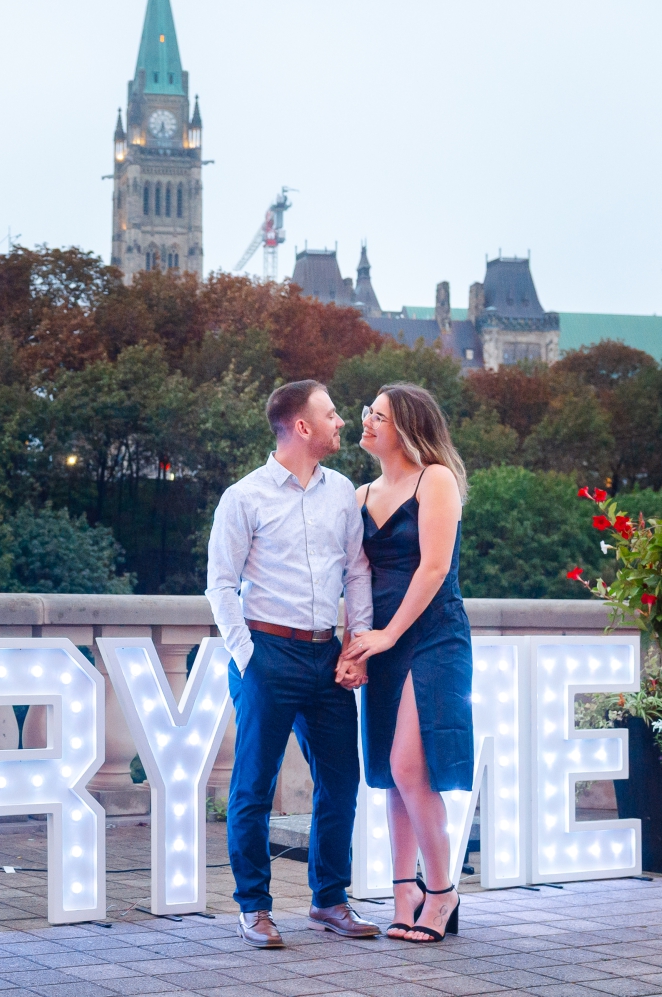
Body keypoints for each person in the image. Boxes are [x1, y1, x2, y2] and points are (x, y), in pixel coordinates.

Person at [206, 380, 380, 949]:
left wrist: (354, 645)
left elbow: (356, 574)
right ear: (301, 427)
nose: (341, 423)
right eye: (331, 414)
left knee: (341, 781)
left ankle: (329, 901)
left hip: (325, 653)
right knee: (253, 786)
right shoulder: (244, 497)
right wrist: (247, 655)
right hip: (266, 652)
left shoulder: (342, 494)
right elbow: (221, 585)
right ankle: (254, 907)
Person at [337, 383, 473, 944]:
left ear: (408, 428)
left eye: (380, 416)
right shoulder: (362, 492)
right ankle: (403, 892)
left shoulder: (435, 479)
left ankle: (442, 894)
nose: (366, 422)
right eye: (368, 412)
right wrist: (355, 647)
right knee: (391, 775)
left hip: (432, 636)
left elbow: (434, 568)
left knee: (411, 767)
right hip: (382, 641)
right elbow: (355, 578)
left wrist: (389, 635)